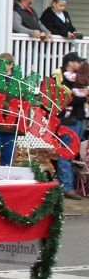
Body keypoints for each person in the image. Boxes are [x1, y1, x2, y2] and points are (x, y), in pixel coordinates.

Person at [56, 51, 87, 200]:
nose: (80, 64)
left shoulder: (78, 79)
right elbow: (66, 99)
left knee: (72, 153)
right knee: (66, 153)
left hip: (78, 118)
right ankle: (66, 187)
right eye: (78, 62)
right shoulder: (61, 78)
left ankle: (69, 184)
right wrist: (82, 95)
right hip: (68, 121)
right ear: (70, 63)